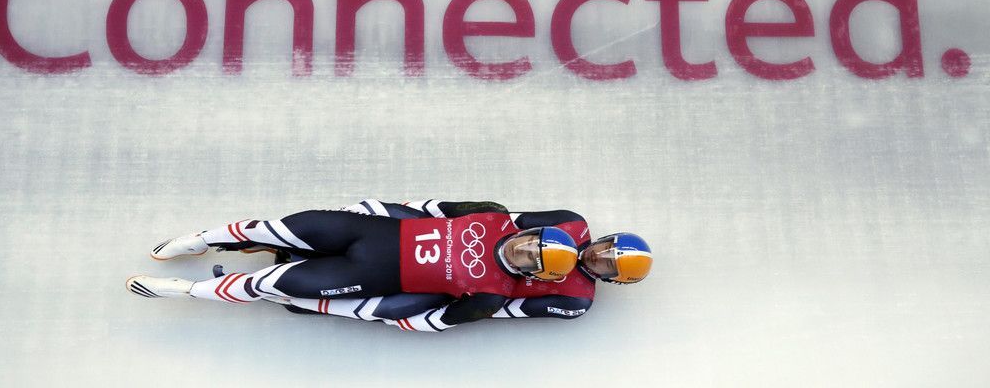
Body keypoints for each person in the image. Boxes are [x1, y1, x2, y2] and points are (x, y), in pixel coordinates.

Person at [127, 204, 579, 329]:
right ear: (525, 232)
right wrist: (367, 208)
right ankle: (202, 241)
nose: (521, 251)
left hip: (364, 278)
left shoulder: (493, 294)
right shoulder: (492, 215)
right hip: (367, 234)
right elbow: (423, 206)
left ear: (533, 275)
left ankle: (180, 291)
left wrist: (366, 311)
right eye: (528, 244)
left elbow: (433, 320)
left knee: (266, 284)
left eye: (529, 260)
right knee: (275, 227)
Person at [275, 200, 653, 332]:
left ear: (611, 281)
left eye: (606, 265)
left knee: (392, 310)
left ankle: (308, 301)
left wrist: (463, 304)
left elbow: (506, 311)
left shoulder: (575, 301)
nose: (596, 257)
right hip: (456, 246)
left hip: (464, 287)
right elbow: (508, 223)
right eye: (605, 248)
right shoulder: (569, 222)